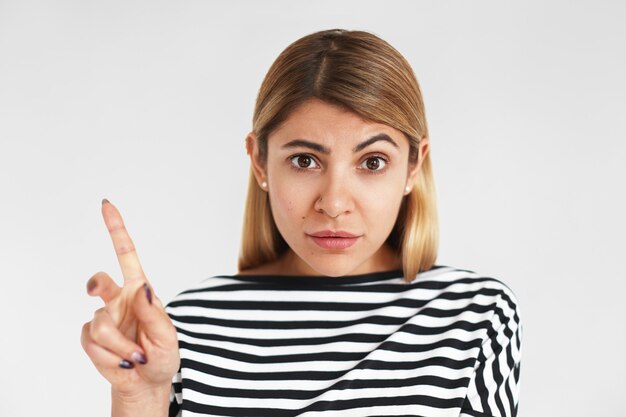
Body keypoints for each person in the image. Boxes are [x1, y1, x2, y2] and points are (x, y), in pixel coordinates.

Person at [81, 28, 522, 417]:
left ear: (412, 167)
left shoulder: (474, 316)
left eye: (372, 162)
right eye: (305, 160)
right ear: (260, 162)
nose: (333, 203)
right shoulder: (187, 328)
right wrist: (141, 398)